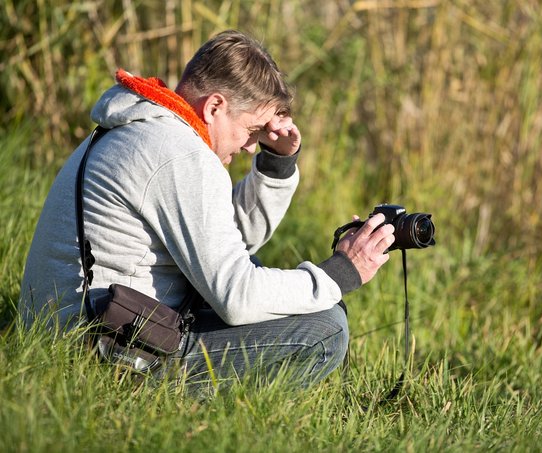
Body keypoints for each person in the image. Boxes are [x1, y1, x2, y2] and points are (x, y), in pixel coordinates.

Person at [19, 30, 395, 386]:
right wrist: (342, 273)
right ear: (216, 106)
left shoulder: (146, 128)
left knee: (281, 293)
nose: (251, 145)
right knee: (324, 327)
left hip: (74, 329)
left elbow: (224, 242)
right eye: (252, 130)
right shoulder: (178, 154)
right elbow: (236, 296)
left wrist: (276, 163)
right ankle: (220, 420)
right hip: (99, 353)